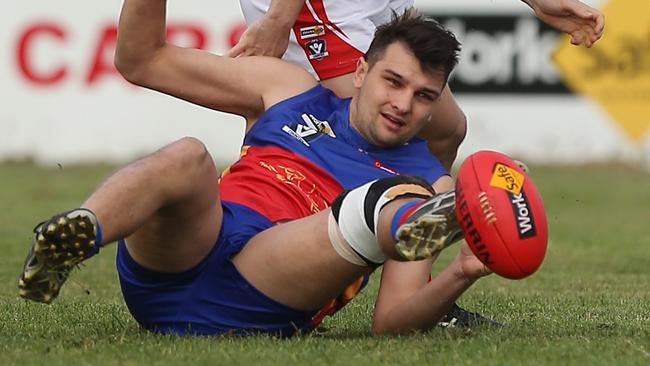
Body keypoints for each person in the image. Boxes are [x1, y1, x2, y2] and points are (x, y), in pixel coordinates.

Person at [18, 2, 492, 336]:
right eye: (394, 81)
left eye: (423, 96)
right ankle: (76, 235)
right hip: (171, 268)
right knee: (189, 155)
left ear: (434, 108)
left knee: (384, 202)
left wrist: (461, 273)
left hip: (261, 294)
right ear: (362, 72)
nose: (403, 104)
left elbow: (390, 322)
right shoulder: (288, 86)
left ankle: (405, 218)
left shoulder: (426, 177)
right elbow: (142, 61)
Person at [232, 0, 605, 170]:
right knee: (353, 147)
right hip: (322, 11)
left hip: (380, 6)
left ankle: (414, 288)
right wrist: (279, 19)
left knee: (445, 131)